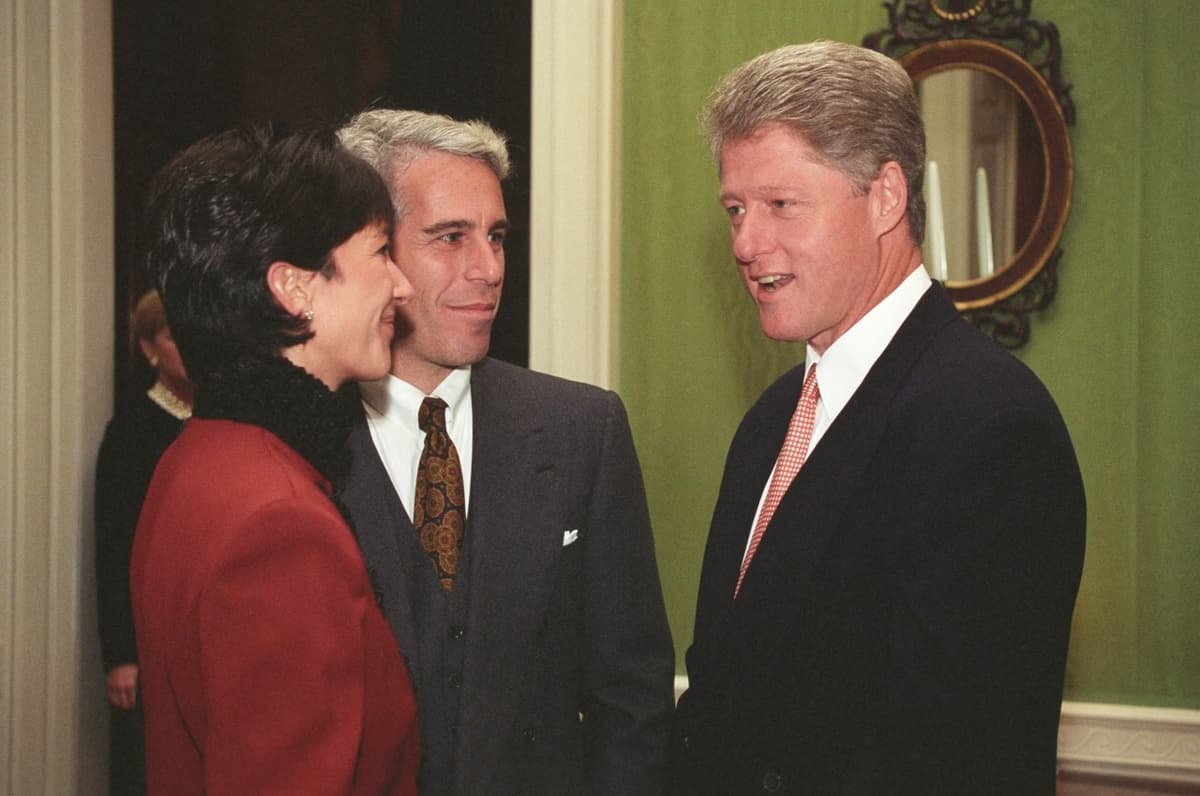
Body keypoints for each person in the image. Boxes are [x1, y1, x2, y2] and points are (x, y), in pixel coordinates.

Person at [669, 41, 1086, 795]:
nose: (746, 243)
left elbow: (950, 753)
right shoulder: (770, 422)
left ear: (886, 196)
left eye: (780, 204)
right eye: (735, 210)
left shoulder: (992, 428)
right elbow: (724, 695)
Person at [337, 108, 675, 795]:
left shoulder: (582, 430)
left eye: (495, 237)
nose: (489, 268)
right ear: (374, 251)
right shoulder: (298, 446)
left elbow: (632, 700)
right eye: (450, 237)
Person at [129, 125, 421, 794]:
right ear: (294, 287)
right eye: (381, 251)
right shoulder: (280, 524)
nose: (402, 286)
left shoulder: (199, 456)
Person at [94, 289, 193, 795]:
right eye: (175, 337)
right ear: (149, 348)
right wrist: (120, 656)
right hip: (148, 640)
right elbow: (112, 544)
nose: (189, 347)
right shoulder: (131, 431)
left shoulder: (224, 420)